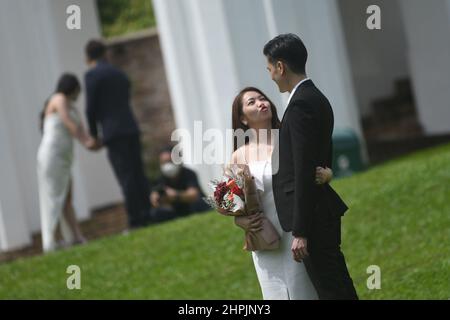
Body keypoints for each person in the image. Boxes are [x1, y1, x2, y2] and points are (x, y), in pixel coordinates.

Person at [263, 33, 358, 299]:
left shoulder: (300, 104)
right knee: (337, 283)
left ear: (280, 67)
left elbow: (304, 168)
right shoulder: (316, 97)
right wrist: (327, 173)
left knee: (331, 290)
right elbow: (319, 161)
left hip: (313, 217)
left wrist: (301, 231)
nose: (270, 76)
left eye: (270, 69)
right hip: (319, 211)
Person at [228, 87, 334, 300]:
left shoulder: (290, 137)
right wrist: (241, 223)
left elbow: (322, 166)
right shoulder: (239, 155)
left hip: (298, 232)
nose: (260, 102)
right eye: (252, 102)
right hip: (266, 240)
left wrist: (327, 175)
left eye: (262, 98)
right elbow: (231, 202)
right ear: (243, 119)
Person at [84, 39, 151, 229]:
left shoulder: (92, 76)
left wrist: (94, 134)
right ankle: (147, 212)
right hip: (130, 127)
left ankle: (135, 219)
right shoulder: (119, 73)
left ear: (88, 57)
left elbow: (90, 108)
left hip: (113, 133)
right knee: (138, 172)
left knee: (126, 175)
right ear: (105, 53)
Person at [37, 73, 97, 252]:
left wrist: (90, 141)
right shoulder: (58, 99)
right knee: (54, 197)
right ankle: (54, 240)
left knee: (67, 197)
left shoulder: (72, 106)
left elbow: (81, 129)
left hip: (64, 158)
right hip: (52, 156)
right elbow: (67, 122)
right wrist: (84, 141)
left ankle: (76, 236)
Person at [149, 146, 210, 223]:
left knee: (197, 205)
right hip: (175, 210)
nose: (167, 165)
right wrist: (157, 199)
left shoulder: (189, 173)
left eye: (170, 161)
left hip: (191, 207)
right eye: (164, 163)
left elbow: (193, 195)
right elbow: (154, 198)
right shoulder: (160, 179)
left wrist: (176, 195)